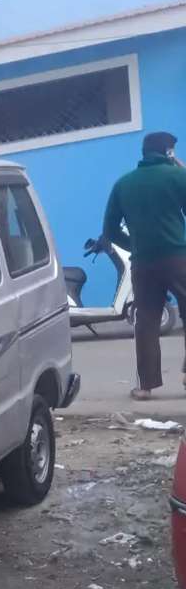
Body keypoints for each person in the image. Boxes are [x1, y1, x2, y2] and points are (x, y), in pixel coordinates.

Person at [102, 130, 186, 400]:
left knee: (146, 321)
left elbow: (110, 232)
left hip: (142, 263)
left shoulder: (123, 184)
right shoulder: (177, 176)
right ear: (168, 152)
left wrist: (135, 245)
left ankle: (145, 386)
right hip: (178, 258)